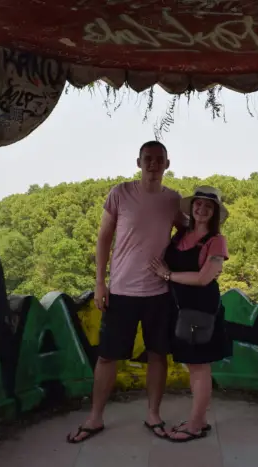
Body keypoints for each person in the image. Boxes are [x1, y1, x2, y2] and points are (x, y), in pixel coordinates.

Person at [67, 141, 186, 443]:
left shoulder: (173, 200)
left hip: (159, 293)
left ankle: (153, 414)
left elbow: (192, 232)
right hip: (121, 291)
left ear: (167, 164)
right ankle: (95, 418)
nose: (153, 164)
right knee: (107, 357)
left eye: (159, 160)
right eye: (148, 159)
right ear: (138, 161)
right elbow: (103, 238)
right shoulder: (120, 193)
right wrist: (99, 282)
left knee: (158, 355)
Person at [149, 186, 231, 443]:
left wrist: (167, 275)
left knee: (198, 367)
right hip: (179, 309)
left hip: (201, 310)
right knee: (192, 365)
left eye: (209, 206)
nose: (202, 209)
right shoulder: (181, 234)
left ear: (215, 212)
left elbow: (204, 278)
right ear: (192, 207)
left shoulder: (216, 241)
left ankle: (195, 425)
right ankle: (200, 419)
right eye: (198, 204)